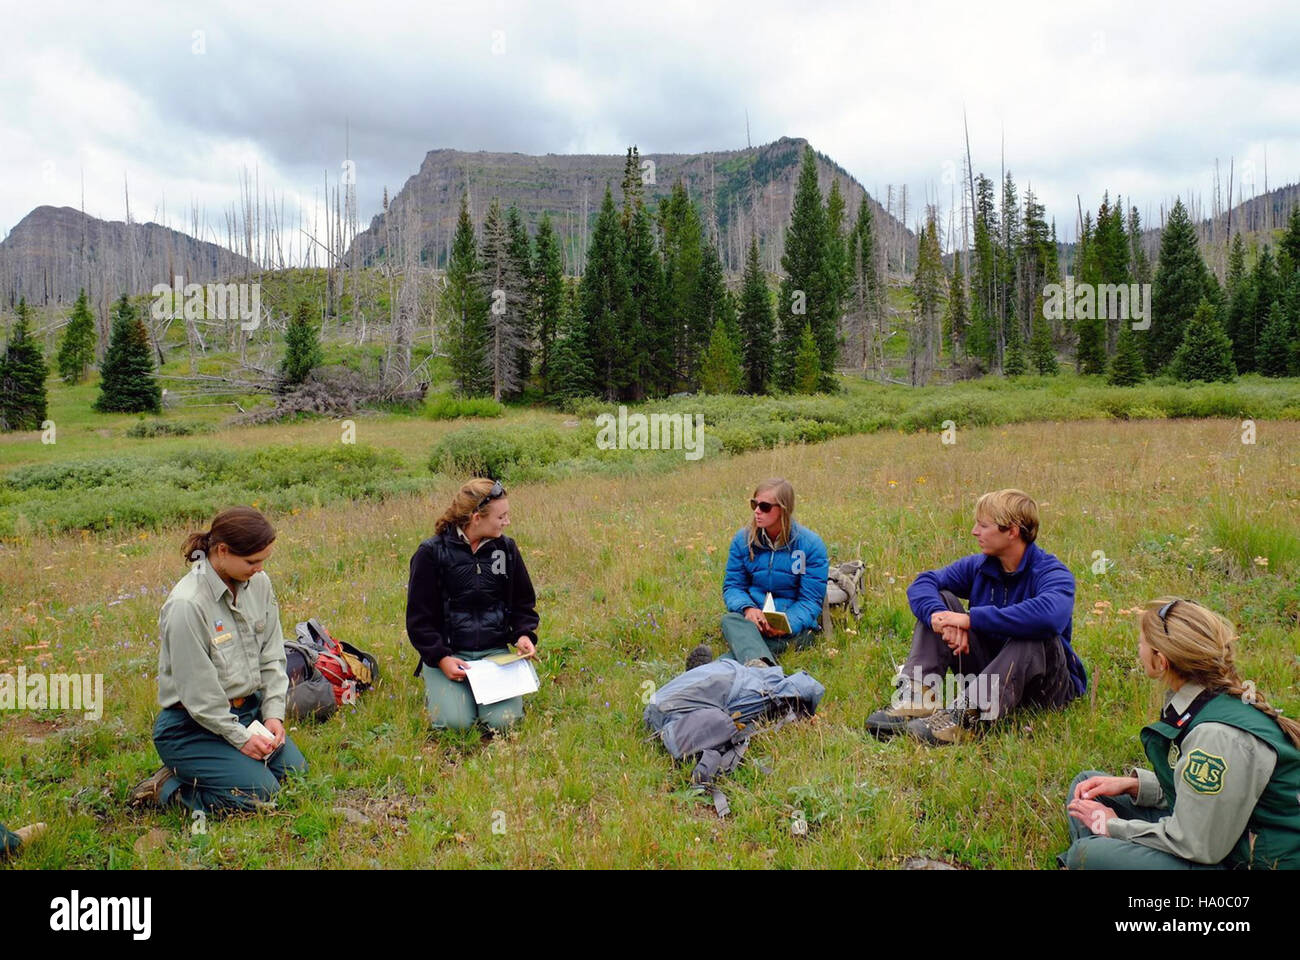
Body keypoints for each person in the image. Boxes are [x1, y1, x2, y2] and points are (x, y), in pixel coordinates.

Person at [1062, 598, 1300, 869]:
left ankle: (1091, 855)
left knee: (1088, 854)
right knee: (1088, 785)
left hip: (1242, 859)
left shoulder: (1217, 736)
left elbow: (1197, 845)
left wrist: (1113, 826)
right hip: (1227, 835)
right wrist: (1138, 786)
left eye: (1141, 643)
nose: (1137, 650)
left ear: (1161, 661)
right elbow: (1214, 799)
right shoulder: (1213, 697)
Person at [865, 488, 1086, 745]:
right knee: (943, 600)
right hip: (992, 675)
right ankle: (918, 698)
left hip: (1044, 689)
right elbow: (924, 582)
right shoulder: (980, 566)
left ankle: (966, 718)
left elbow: (1051, 617)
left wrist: (971, 620)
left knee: (1035, 634)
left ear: (1012, 531)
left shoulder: (1051, 572)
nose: (974, 531)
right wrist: (940, 618)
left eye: (983, 525)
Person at [130, 506, 307, 814]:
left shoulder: (259, 585)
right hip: (191, 727)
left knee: (297, 777)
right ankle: (167, 789)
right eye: (252, 561)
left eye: (264, 559)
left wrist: (273, 715)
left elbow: (272, 655)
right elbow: (199, 697)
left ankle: (217, 771)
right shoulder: (187, 606)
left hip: (247, 712)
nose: (260, 569)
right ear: (222, 551)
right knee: (260, 796)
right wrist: (240, 740)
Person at [406, 478, 540, 733]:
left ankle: (472, 697)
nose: (507, 522)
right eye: (501, 517)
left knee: (504, 723)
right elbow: (418, 620)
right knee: (456, 725)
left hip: (495, 656)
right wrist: (441, 658)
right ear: (477, 517)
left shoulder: (507, 549)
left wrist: (523, 634)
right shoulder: (431, 553)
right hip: (449, 654)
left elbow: (523, 602)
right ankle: (439, 690)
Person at [688, 478, 828, 671]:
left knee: (779, 641)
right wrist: (748, 609)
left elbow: (811, 600)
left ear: (783, 509)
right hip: (752, 622)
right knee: (730, 620)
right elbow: (733, 586)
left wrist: (787, 624)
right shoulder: (743, 540)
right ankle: (758, 667)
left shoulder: (810, 545)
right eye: (754, 504)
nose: (757, 511)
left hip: (792, 627)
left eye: (764, 506)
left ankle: (708, 670)